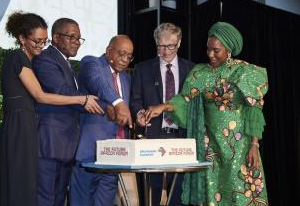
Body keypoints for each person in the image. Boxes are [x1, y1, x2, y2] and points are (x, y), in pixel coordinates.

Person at [145, 21, 269, 205]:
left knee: (241, 193)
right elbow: (184, 100)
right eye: (208, 49)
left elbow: (254, 110)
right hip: (211, 147)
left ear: (228, 50)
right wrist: (163, 107)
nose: (210, 54)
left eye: (216, 50)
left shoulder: (246, 72)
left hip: (240, 144)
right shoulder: (200, 73)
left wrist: (254, 145)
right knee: (214, 194)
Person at [0, 12, 102, 206]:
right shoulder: (32, 58)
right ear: (22, 38)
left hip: (53, 140)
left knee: (51, 196)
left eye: (43, 41)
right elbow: (42, 96)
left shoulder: (57, 62)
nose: (40, 46)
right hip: (37, 137)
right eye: (37, 41)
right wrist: (83, 99)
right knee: (36, 194)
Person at [32, 18, 103, 206]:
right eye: (71, 37)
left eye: (79, 38)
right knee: (45, 199)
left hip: (65, 145)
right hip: (49, 143)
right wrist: (89, 101)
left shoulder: (67, 63)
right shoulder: (45, 59)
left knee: (58, 199)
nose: (77, 42)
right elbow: (60, 91)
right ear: (55, 37)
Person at [130, 22, 194, 205]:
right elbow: (135, 101)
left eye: (170, 46)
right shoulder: (142, 69)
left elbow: (193, 104)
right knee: (151, 193)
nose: (165, 51)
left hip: (182, 138)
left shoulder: (192, 70)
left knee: (179, 193)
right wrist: (139, 115)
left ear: (179, 43)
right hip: (152, 137)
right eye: (160, 46)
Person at [70, 35, 134, 206]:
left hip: (115, 155)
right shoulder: (91, 64)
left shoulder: (126, 78)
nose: (125, 59)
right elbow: (97, 83)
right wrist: (117, 102)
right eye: (121, 53)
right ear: (108, 51)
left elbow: (127, 111)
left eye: (129, 56)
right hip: (89, 152)